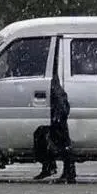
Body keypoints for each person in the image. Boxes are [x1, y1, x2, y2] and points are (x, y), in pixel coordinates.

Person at [34, 37, 76, 183]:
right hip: (55, 104)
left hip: (58, 105)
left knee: (61, 139)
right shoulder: (53, 61)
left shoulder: (54, 66)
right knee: (43, 136)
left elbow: (58, 90)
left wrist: (60, 111)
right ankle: (53, 167)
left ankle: (68, 172)